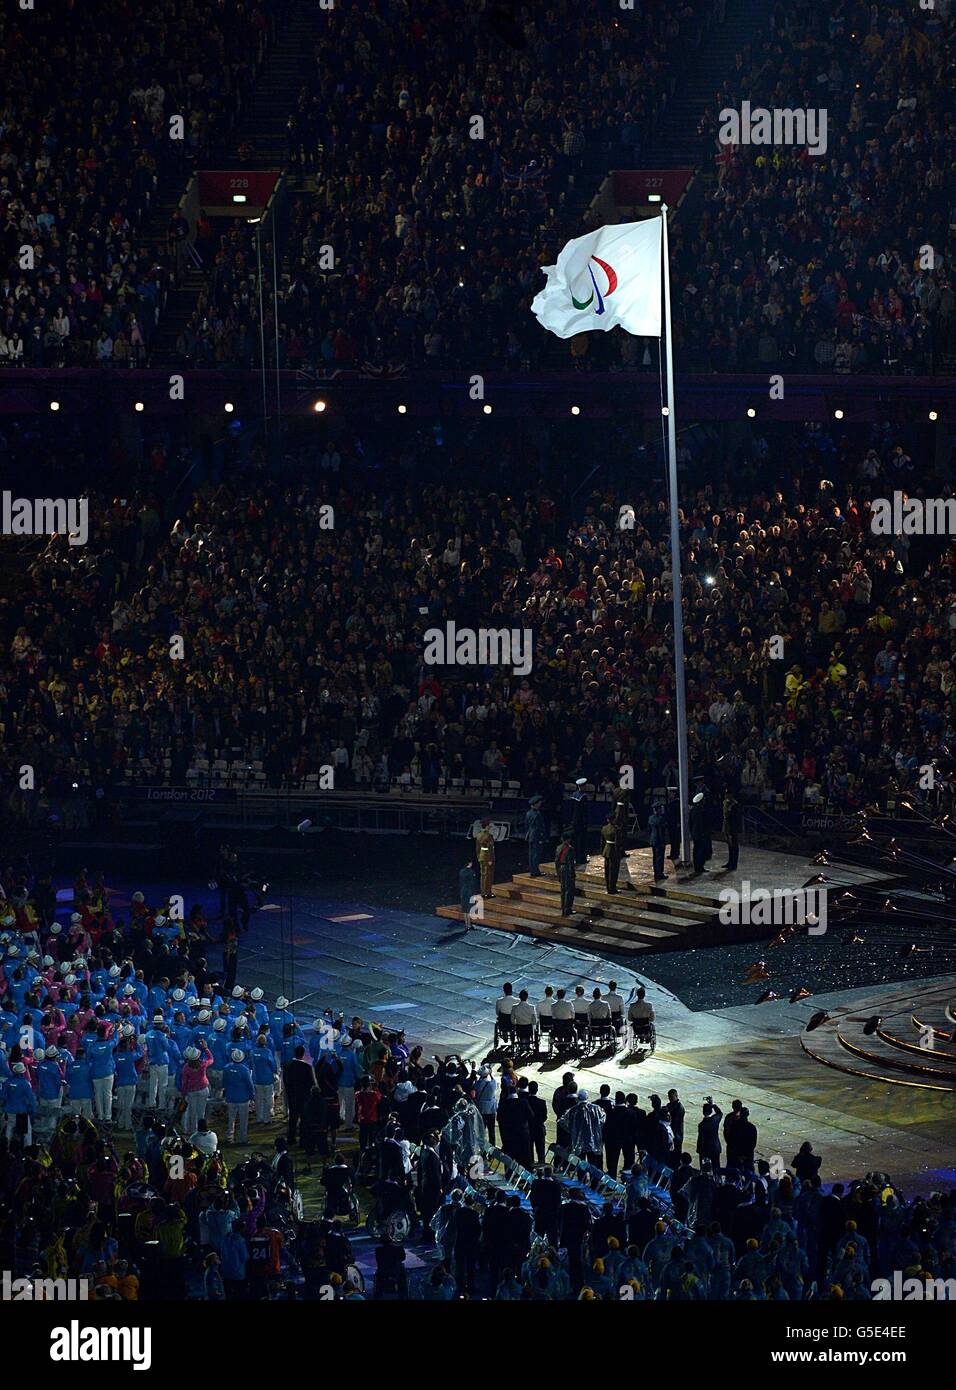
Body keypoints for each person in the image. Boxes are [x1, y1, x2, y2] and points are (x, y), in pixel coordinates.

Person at [283, 1044, 316, 1144]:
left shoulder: (288, 1065)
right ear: (303, 1055)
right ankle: (303, 1139)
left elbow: (285, 1081)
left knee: (292, 1119)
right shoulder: (307, 1067)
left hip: (292, 1096)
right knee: (304, 1119)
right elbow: (312, 1083)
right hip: (304, 1097)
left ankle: (291, 1138)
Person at [697, 1097, 723, 1170]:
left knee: (705, 1168)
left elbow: (701, 1138)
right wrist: (713, 1104)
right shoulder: (714, 1120)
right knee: (716, 1166)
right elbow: (720, 1113)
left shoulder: (701, 1124)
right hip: (715, 1147)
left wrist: (699, 1149)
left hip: (705, 1149)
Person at [690, 792, 712, 876]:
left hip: (695, 833)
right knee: (700, 851)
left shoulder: (693, 810)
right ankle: (699, 867)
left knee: (696, 850)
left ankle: (697, 866)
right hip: (701, 834)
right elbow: (701, 823)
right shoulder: (700, 811)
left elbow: (691, 823)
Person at [555, 834, 576, 917]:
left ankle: (563, 908)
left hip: (560, 868)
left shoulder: (558, 848)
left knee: (563, 890)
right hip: (567, 869)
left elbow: (556, 861)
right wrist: (572, 874)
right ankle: (567, 909)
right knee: (569, 890)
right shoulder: (570, 849)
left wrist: (558, 873)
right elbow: (571, 863)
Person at [570, 778, 589, 866]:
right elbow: (583, 811)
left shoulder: (574, 795)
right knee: (581, 840)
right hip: (581, 822)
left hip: (574, 820)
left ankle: (574, 857)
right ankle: (581, 858)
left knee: (575, 840)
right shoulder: (583, 797)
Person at [474, 820, 496, 899]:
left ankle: (483, 892)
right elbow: (490, 848)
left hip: (481, 856)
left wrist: (479, 857)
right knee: (489, 875)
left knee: (483, 875)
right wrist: (490, 859)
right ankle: (488, 892)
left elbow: (477, 848)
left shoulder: (479, 834)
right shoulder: (488, 836)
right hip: (488, 857)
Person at [526, 795, 547, 877]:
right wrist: (542, 837)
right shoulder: (537, 814)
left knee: (531, 854)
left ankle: (532, 870)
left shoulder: (528, 813)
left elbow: (527, 825)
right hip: (537, 836)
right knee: (536, 854)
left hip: (530, 835)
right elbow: (540, 827)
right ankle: (535, 871)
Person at [600, 817, 622, 893]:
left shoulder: (604, 828)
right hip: (613, 852)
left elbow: (602, 841)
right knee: (613, 871)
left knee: (607, 870)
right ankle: (613, 888)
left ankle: (608, 888)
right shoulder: (616, 830)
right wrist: (618, 853)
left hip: (606, 851)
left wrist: (602, 851)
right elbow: (617, 843)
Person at [647, 800, 667, 882]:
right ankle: (660, 873)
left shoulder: (651, 818)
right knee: (660, 857)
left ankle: (656, 872)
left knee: (655, 857)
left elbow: (649, 829)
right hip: (659, 840)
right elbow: (662, 831)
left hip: (653, 840)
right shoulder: (661, 819)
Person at [722, 789, 741, 871]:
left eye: (728, 794)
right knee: (730, 845)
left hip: (733, 827)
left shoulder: (734, 804)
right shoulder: (725, 802)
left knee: (734, 846)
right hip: (727, 826)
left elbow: (735, 818)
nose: (727, 796)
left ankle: (734, 863)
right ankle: (730, 862)